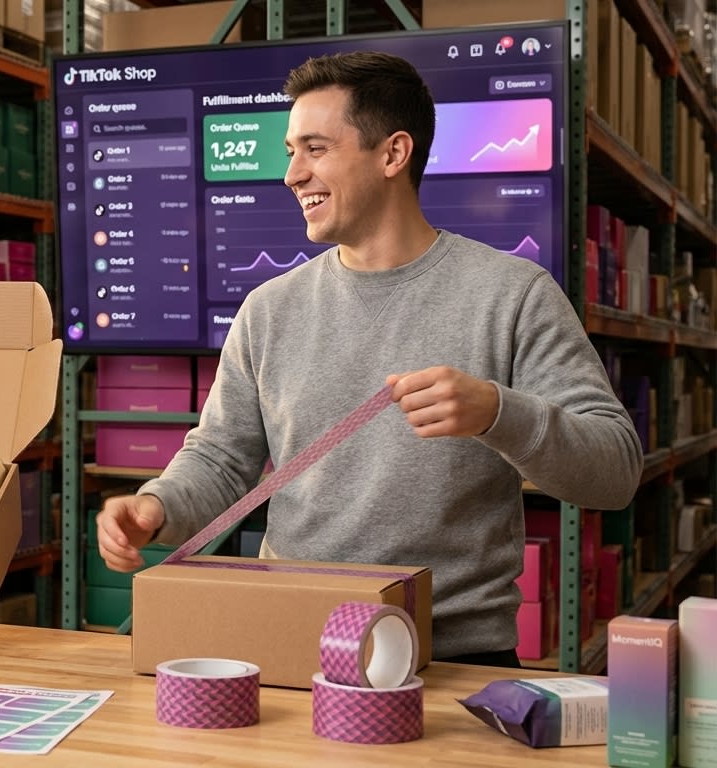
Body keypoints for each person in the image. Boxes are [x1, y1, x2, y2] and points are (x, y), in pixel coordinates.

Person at [96, 52, 642, 666]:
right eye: (290, 152)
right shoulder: (268, 309)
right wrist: (157, 504)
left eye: (315, 149)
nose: (292, 175)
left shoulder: (513, 295)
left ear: (393, 154)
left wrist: (499, 413)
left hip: (453, 659)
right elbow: (222, 459)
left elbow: (615, 473)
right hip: (292, 645)